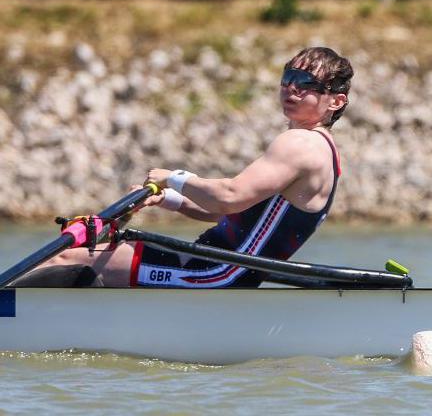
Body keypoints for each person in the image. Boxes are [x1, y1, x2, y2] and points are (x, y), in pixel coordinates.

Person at [18, 46, 352, 288]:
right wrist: (168, 200)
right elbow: (230, 215)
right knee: (92, 252)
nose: (291, 88)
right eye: (288, 77)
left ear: (335, 102)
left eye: (307, 83)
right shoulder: (318, 150)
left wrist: (173, 178)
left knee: (71, 256)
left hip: (218, 272)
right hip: (218, 264)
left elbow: (229, 197)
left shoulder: (300, 144)